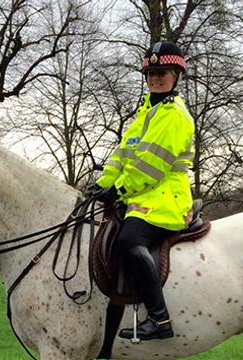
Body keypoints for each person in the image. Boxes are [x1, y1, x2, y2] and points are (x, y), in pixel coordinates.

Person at [91, 40, 195, 341]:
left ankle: (160, 320)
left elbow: (152, 164)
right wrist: (104, 184)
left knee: (129, 240)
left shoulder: (174, 115)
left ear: (176, 74)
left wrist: (119, 189)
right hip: (139, 194)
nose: (155, 78)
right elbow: (122, 155)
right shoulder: (145, 113)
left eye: (162, 72)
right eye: (150, 73)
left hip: (165, 196)